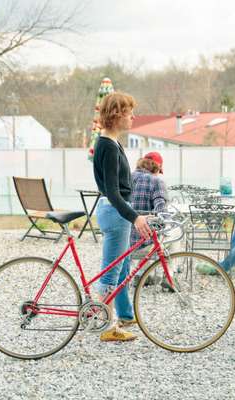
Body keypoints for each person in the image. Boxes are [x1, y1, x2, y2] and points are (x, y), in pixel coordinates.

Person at [92, 92, 152, 342]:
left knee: (118, 268)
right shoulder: (107, 144)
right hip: (115, 213)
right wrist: (135, 216)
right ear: (117, 115)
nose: (133, 117)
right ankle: (106, 326)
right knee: (111, 273)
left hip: (115, 212)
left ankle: (117, 316)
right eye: (129, 113)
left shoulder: (110, 142)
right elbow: (113, 192)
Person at [129, 152, 167, 286]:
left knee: (152, 232)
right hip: (143, 243)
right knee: (173, 235)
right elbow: (161, 212)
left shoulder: (128, 177)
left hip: (123, 242)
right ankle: (169, 276)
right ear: (156, 168)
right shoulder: (156, 181)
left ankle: (141, 274)